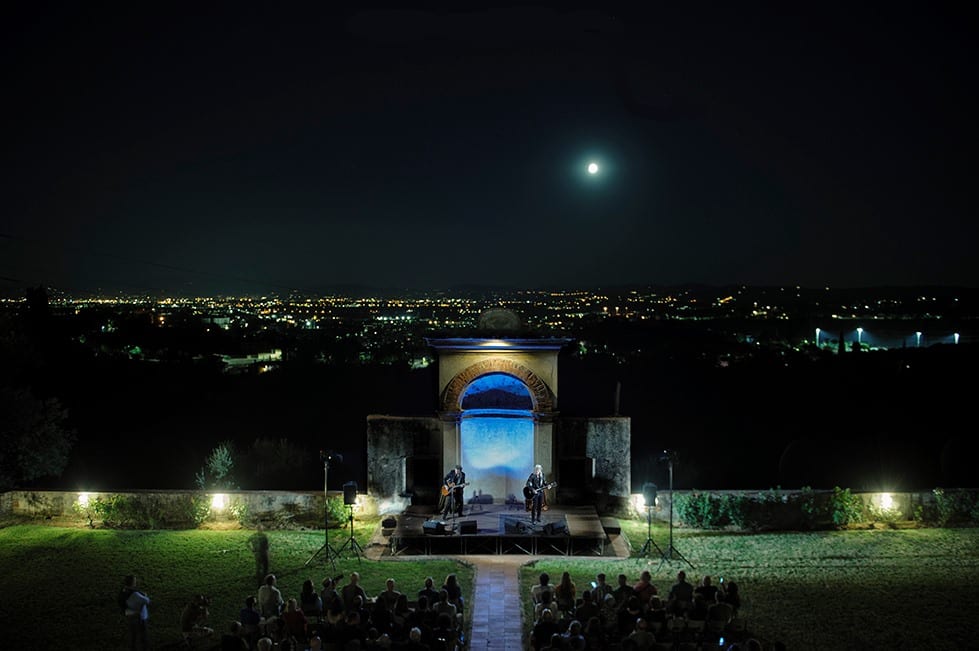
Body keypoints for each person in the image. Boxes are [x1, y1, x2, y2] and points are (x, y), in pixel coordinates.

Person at [122, 574, 151, 651]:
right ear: (132, 582)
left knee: (133, 636)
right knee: (143, 636)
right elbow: (147, 601)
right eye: (134, 580)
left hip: (129, 615)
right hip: (139, 617)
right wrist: (145, 595)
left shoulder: (124, 591)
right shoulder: (134, 594)